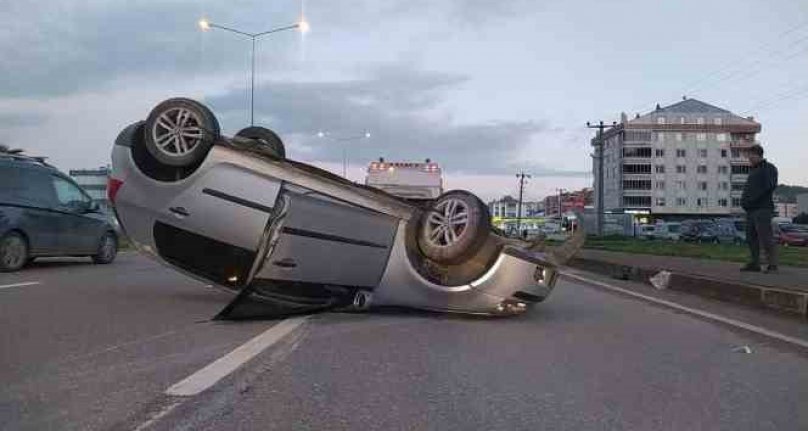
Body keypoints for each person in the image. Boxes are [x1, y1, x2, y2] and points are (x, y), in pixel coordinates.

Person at [740, 144, 779, 273]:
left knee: (765, 236)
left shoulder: (769, 168)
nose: (748, 158)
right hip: (751, 210)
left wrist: (753, 199)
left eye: (750, 155)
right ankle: (755, 263)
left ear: (757, 154)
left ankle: (772, 265)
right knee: (750, 237)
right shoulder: (754, 170)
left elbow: (770, 186)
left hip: (762, 208)